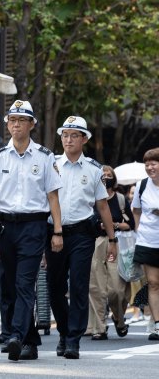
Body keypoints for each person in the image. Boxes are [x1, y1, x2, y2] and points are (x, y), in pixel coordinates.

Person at [0, 100, 63, 362]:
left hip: (33, 225)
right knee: (10, 285)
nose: (16, 124)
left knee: (25, 283)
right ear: (7, 124)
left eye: (21, 120)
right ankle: (29, 340)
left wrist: (57, 231)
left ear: (31, 124)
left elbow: (53, 197)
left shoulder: (44, 156)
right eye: (12, 120)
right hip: (6, 226)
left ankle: (16, 335)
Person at [47, 116, 117, 359]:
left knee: (78, 285)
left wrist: (112, 239)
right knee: (54, 287)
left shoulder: (94, 170)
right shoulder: (51, 164)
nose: (68, 139)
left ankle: (74, 339)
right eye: (65, 135)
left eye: (74, 135)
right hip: (54, 232)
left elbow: (103, 207)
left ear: (84, 139)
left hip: (81, 234)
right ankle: (65, 332)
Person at [88, 165, 134, 340]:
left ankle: (118, 318)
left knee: (117, 290)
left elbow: (131, 224)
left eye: (109, 175)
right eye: (103, 175)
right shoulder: (91, 198)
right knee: (96, 287)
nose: (106, 177)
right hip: (95, 243)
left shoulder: (121, 199)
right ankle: (99, 327)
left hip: (117, 242)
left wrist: (112, 226)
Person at [130, 147, 159, 341]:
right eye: (147, 164)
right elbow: (136, 211)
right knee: (154, 283)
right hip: (148, 240)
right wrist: (139, 230)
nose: (150, 167)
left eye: (154, 163)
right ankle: (157, 324)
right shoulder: (141, 186)